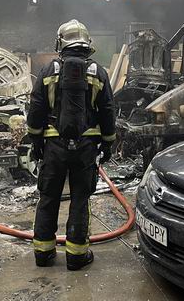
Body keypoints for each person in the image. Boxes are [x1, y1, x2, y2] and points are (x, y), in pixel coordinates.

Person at [27, 19, 116, 270]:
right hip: (86, 146)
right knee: (80, 198)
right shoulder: (98, 72)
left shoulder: (47, 71)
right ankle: (77, 257)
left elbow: (36, 109)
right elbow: (107, 110)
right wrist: (108, 143)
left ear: (60, 43)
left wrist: (36, 141)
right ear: (87, 43)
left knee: (48, 197)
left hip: (54, 146)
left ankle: (43, 255)